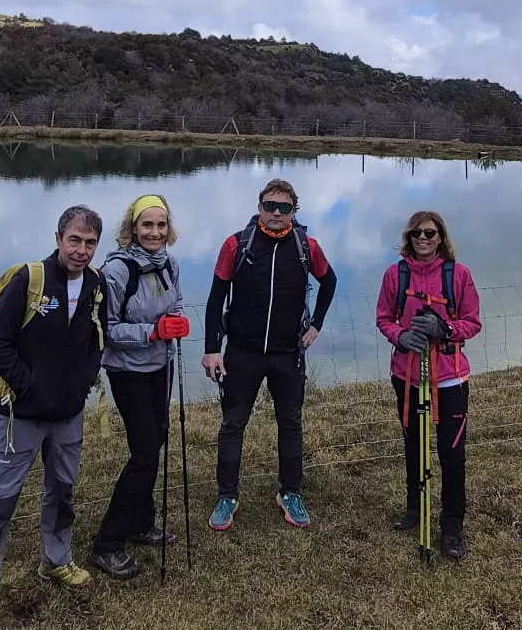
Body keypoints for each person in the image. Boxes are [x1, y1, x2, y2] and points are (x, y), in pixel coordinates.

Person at [0, 206, 107, 630]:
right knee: (0, 503)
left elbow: (98, 339)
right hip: (21, 416)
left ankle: (56, 562)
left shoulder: (97, 285)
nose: (82, 251)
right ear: (59, 238)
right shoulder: (30, 281)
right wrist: (29, 388)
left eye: (90, 243)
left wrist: (81, 383)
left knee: (62, 492)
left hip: (68, 416)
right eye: (75, 240)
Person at [203, 178, 337, 531]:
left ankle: (290, 492)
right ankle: (227, 496)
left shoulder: (307, 246)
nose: (276, 213)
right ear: (259, 206)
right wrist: (211, 349)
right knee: (233, 423)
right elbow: (216, 298)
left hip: (287, 353)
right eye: (269, 206)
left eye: (284, 208)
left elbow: (330, 281)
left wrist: (316, 325)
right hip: (242, 353)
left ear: (295, 211)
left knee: (291, 423)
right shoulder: (236, 245)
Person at [86, 194, 187, 580]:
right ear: (132, 228)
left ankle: (141, 523)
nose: (155, 233)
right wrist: (155, 331)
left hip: (159, 366)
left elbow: (174, 304)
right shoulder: (116, 271)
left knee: (155, 440)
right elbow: (106, 330)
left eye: (161, 225)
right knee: (145, 452)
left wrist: (176, 320)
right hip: (127, 370)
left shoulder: (170, 264)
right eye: (147, 225)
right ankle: (107, 544)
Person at [374, 210, 483, 561]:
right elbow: (384, 318)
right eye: (417, 233)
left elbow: (472, 322)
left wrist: (445, 330)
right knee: (414, 446)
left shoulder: (458, 274)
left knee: (452, 454)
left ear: (441, 237)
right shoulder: (396, 274)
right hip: (407, 374)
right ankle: (414, 509)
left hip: (450, 377)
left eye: (430, 233)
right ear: (409, 237)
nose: (423, 239)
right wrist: (402, 336)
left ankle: (452, 528)